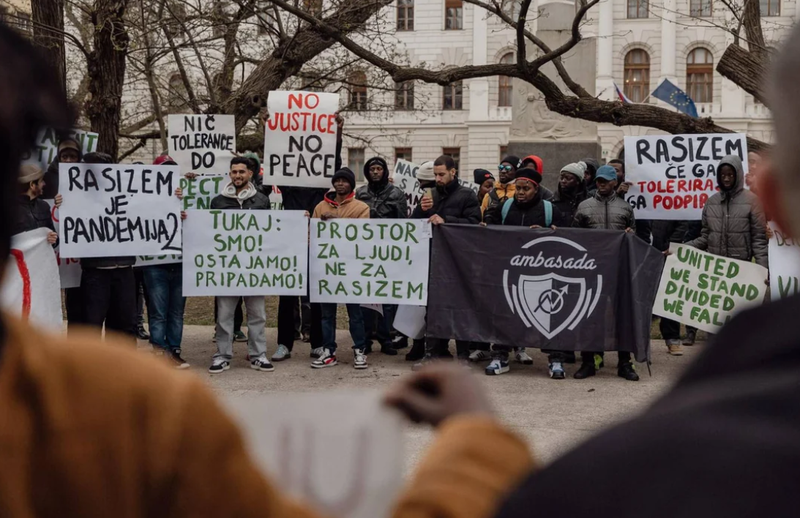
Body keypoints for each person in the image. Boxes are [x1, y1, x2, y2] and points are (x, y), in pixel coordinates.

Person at [268, 112, 344, 362]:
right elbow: (274, 162)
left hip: (315, 242)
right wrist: (270, 130)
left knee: (316, 294)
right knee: (286, 296)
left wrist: (337, 133)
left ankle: (318, 342)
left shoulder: (322, 184)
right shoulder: (286, 181)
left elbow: (332, 160)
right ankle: (284, 343)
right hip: (290, 241)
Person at [482, 167, 564, 375]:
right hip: (510, 272)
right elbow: (490, 221)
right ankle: (500, 356)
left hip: (541, 274)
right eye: (517, 188)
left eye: (525, 188)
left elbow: (566, 235)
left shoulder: (549, 209)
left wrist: (552, 232)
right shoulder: (506, 206)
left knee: (549, 313)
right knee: (504, 313)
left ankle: (555, 359)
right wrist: (485, 224)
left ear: (535, 189)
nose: (520, 192)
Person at [206, 157, 274, 374]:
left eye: (241, 172)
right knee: (225, 315)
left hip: (254, 267)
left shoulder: (262, 200)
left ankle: (258, 354)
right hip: (227, 268)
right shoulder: (217, 202)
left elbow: (271, 230)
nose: (237, 176)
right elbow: (209, 231)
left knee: (258, 314)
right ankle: (222, 355)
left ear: (250, 174)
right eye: (234, 172)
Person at [413, 155, 482, 365]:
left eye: (441, 174)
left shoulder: (467, 195)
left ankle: (463, 357)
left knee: (460, 308)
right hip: (434, 260)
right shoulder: (430, 194)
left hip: (458, 261)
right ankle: (434, 353)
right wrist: (421, 211)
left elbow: (473, 224)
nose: (438, 178)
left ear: (453, 172)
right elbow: (414, 225)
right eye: (435, 175)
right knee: (433, 309)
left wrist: (447, 221)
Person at [573, 165, 639, 381]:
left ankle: (624, 362)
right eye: (598, 180)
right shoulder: (584, 207)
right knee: (590, 316)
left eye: (605, 181)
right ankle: (588, 361)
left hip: (619, 270)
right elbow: (575, 239)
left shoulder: (625, 208)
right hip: (592, 271)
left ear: (614, 183)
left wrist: (630, 234)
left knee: (622, 316)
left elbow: (634, 237)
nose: (600, 184)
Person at [311, 167, 371, 369]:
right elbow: (312, 235)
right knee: (327, 314)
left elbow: (362, 234)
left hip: (351, 268)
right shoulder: (320, 207)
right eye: (337, 180)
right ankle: (329, 351)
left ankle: (360, 350)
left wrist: (336, 222)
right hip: (327, 269)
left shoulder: (361, 207)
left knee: (355, 313)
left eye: (345, 181)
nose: (340, 184)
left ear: (351, 185)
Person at [77, 152, 140, 344]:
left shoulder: (129, 191)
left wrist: (171, 197)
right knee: (92, 324)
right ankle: (92, 370)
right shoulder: (76, 194)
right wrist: (63, 203)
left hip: (124, 269)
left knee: (125, 323)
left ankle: (123, 369)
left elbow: (152, 209)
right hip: (95, 271)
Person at [355, 156, 408, 357]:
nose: (375, 172)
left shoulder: (397, 193)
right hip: (366, 251)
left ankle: (387, 339)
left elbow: (403, 222)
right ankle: (367, 338)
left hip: (388, 252)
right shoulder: (360, 193)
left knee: (387, 298)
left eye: (378, 169)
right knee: (366, 297)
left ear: (384, 171)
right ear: (367, 173)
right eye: (372, 169)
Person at [140, 155, 189, 369]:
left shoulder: (185, 193)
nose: (166, 174)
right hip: (154, 263)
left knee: (177, 310)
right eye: (162, 169)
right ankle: (160, 351)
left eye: (170, 169)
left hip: (180, 261)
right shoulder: (141, 195)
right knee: (158, 311)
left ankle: (174, 350)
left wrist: (185, 202)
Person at [684, 155, 768, 269]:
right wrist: (679, 250)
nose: (726, 179)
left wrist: (764, 271)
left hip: (742, 269)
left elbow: (759, 242)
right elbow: (705, 237)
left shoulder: (753, 201)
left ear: (738, 175)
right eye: (723, 175)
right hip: (714, 269)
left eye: (730, 175)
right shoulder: (711, 202)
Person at [13, 163, 61, 243]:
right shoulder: (9, 210)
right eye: (41, 181)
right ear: (32, 185)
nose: (44, 184)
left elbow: (55, 238)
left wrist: (53, 239)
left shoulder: (44, 206)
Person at [609, 158, 651, 244]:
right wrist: (617, 193)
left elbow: (643, 226)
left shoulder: (635, 192)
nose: (611, 173)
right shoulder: (599, 191)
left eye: (616, 170)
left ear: (624, 174)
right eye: (609, 170)